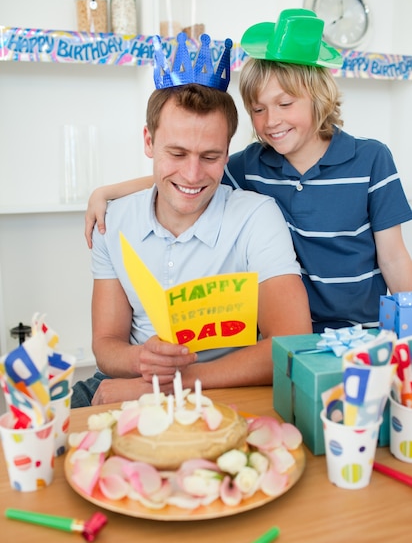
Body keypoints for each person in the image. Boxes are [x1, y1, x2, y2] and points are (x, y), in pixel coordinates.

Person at [85, 9, 412, 333]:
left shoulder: (371, 159)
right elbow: (189, 174)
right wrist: (107, 193)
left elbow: (394, 259)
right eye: (258, 109)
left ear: (319, 97)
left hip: (364, 332)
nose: (271, 121)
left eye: (285, 104)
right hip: (290, 338)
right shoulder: (249, 165)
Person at [72, 33, 312, 407]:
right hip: (130, 379)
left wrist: (174, 385)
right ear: (149, 142)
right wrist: (142, 361)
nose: (192, 174)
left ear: (228, 152)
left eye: (211, 156)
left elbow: (292, 342)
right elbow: (106, 344)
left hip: (224, 385)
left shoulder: (256, 216)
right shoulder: (113, 221)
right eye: (177, 153)